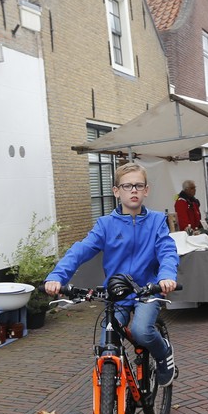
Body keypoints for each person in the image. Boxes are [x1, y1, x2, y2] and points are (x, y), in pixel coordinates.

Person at [45, 163, 180, 388]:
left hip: (147, 291)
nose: (133, 190)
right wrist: (57, 277)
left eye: (139, 185)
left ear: (146, 190)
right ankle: (112, 395)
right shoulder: (105, 224)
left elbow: (167, 251)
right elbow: (81, 250)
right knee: (106, 345)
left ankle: (163, 353)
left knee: (141, 331)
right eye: (127, 186)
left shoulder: (157, 221)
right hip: (116, 293)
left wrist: (166, 277)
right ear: (117, 191)